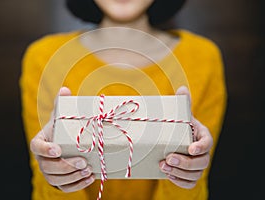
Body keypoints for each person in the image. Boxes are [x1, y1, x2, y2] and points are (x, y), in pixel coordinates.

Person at [19, 0, 227, 199]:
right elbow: (47, 179)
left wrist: (189, 168)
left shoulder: (202, 58)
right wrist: (54, 173)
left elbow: (191, 182)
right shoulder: (45, 58)